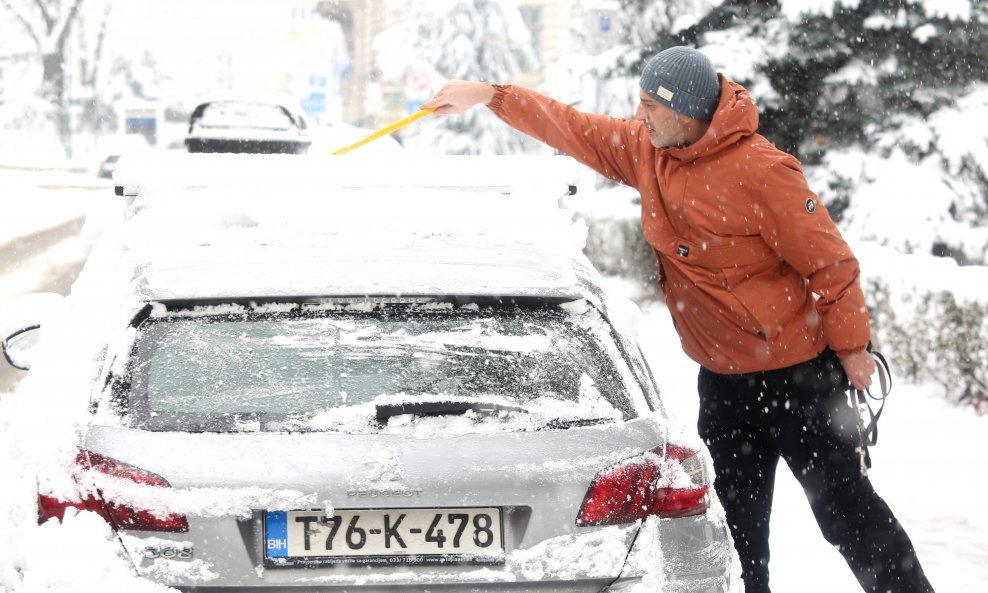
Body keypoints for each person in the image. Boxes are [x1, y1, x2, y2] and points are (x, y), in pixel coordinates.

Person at [421, 46, 935, 593]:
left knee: (848, 515)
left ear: (685, 110)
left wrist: (853, 350)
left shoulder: (763, 172)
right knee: (737, 541)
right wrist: (490, 95)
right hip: (723, 386)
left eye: (649, 105)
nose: (639, 116)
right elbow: (572, 128)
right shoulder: (648, 151)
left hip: (799, 381)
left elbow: (831, 263)